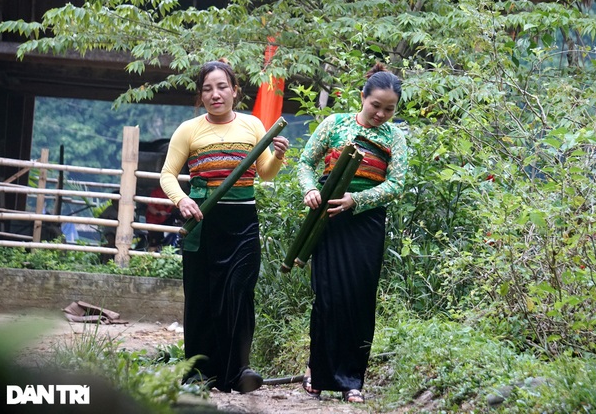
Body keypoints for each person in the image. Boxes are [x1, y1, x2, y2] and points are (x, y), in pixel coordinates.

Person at [159, 59, 289, 393]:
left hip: (243, 224)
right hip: (202, 223)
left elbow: (266, 173)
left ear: (234, 90)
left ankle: (239, 370)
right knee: (201, 299)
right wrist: (182, 200)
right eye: (207, 89)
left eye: (222, 87)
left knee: (239, 294)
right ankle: (200, 374)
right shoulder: (188, 130)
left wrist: (277, 155)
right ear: (200, 96)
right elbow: (167, 175)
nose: (215, 94)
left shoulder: (252, 125)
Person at [297, 62, 408, 403]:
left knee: (359, 300)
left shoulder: (395, 137)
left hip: (366, 223)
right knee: (327, 298)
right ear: (363, 97)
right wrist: (310, 190)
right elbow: (305, 164)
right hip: (328, 220)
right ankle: (317, 373)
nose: (381, 114)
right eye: (376, 106)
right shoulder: (335, 124)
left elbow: (397, 184)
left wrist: (355, 199)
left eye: (389, 109)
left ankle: (352, 381)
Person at [144, 185, 174, 250]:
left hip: (165, 220)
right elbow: (150, 207)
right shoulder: (157, 192)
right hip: (154, 221)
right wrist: (158, 213)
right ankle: (150, 258)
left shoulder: (174, 193)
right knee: (155, 242)